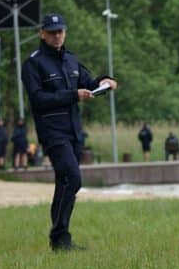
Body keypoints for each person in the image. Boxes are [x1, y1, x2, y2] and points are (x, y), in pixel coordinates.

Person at [21, 13, 117, 252]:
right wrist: (73, 95)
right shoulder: (33, 63)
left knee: (65, 183)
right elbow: (38, 99)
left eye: (60, 31)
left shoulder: (71, 60)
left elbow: (89, 83)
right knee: (72, 178)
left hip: (74, 132)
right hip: (53, 132)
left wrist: (105, 81)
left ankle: (60, 238)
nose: (57, 36)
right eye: (52, 32)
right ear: (42, 34)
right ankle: (59, 236)